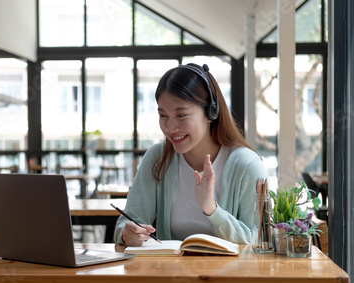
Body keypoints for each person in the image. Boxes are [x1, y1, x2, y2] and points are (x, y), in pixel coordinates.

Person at [114, 63, 268, 246]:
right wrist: (128, 234)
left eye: (181, 115)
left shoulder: (246, 165)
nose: (170, 128)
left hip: (231, 275)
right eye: (163, 116)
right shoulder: (158, 158)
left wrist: (212, 209)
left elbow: (259, 240)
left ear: (211, 112)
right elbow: (127, 222)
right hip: (170, 273)